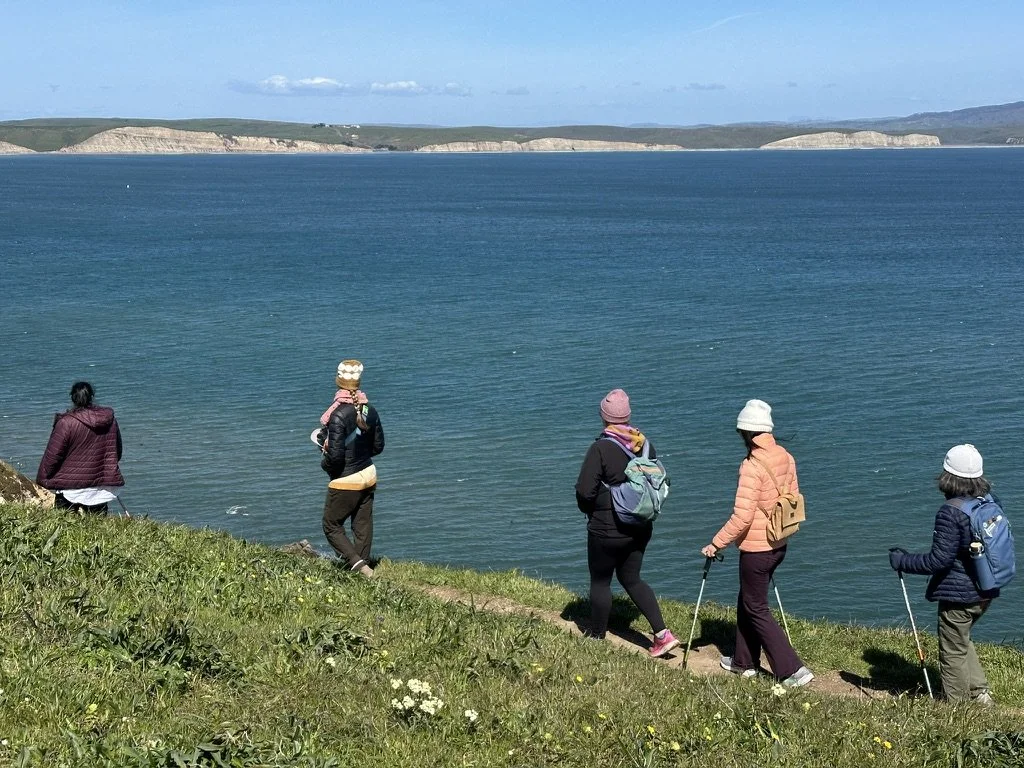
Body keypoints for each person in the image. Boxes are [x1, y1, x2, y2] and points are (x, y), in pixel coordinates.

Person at [701, 399, 814, 687]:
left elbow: (742, 517)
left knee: (756, 607)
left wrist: (716, 543)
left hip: (757, 548)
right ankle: (744, 661)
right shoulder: (785, 456)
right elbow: (793, 495)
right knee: (748, 600)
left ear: (746, 432)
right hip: (780, 541)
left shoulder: (751, 466)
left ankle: (792, 670)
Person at [888, 444, 998, 705]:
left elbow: (939, 560)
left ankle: (958, 709)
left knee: (951, 650)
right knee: (960, 639)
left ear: (947, 477)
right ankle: (978, 693)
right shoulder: (989, 503)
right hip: (988, 587)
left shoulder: (951, 512)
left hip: (960, 594)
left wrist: (902, 561)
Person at [575, 388, 679, 657]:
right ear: (627, 416)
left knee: (600, 581)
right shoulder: (645, 445)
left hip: (607, 528)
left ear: (604, 417)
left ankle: (596, 635)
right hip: (640, 525)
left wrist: (590, 510)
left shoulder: (600, 448)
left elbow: (585, 490)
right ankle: (661, 634)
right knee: (631, 578)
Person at [320, 360, 385, 577]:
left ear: (339, 382)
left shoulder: (337, 414)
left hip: (347, 479)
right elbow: (378, 446)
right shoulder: (370, 409)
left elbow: (336, 457)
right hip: (369, 474)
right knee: (362, 524)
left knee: (331, 524)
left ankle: (360, 568)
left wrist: (324, 461)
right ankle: (363, 567)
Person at [36, 381, 125, 514]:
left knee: (64, 527)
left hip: (69, 487)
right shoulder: (109, 420)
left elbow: (53, 456)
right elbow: (117, 451)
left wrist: (42, 479)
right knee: (98, 529)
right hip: (99, 488)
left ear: (72, 397)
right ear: (92, 396)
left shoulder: (66, 423)